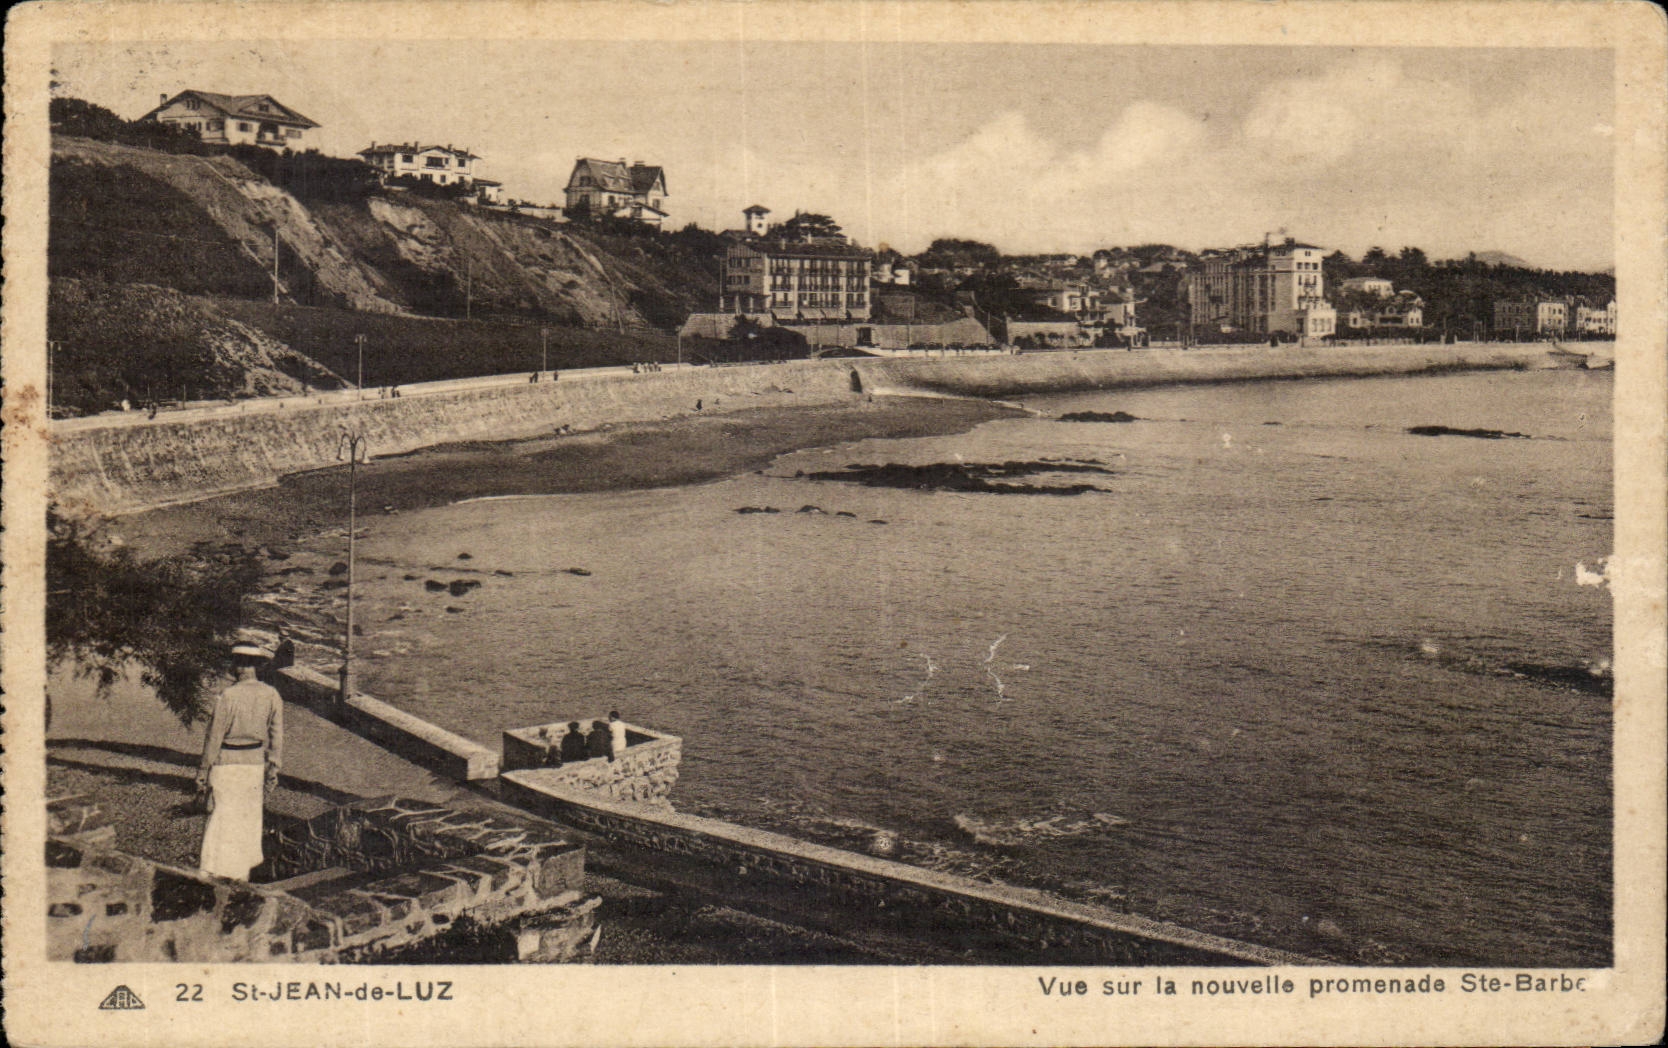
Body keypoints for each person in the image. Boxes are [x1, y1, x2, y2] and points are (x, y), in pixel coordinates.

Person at [197, 639, 283, 881]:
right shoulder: (271, 694)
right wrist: (273, 766)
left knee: (222, 814)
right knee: (247, 815)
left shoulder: (228, 695)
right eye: (241, 663)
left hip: (227, 762)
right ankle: (240, 873)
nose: (240, 668)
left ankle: (212, 870)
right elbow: (277, 735)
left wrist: (203, 770)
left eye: (242, 664)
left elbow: (214, 736)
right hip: (254, 764)